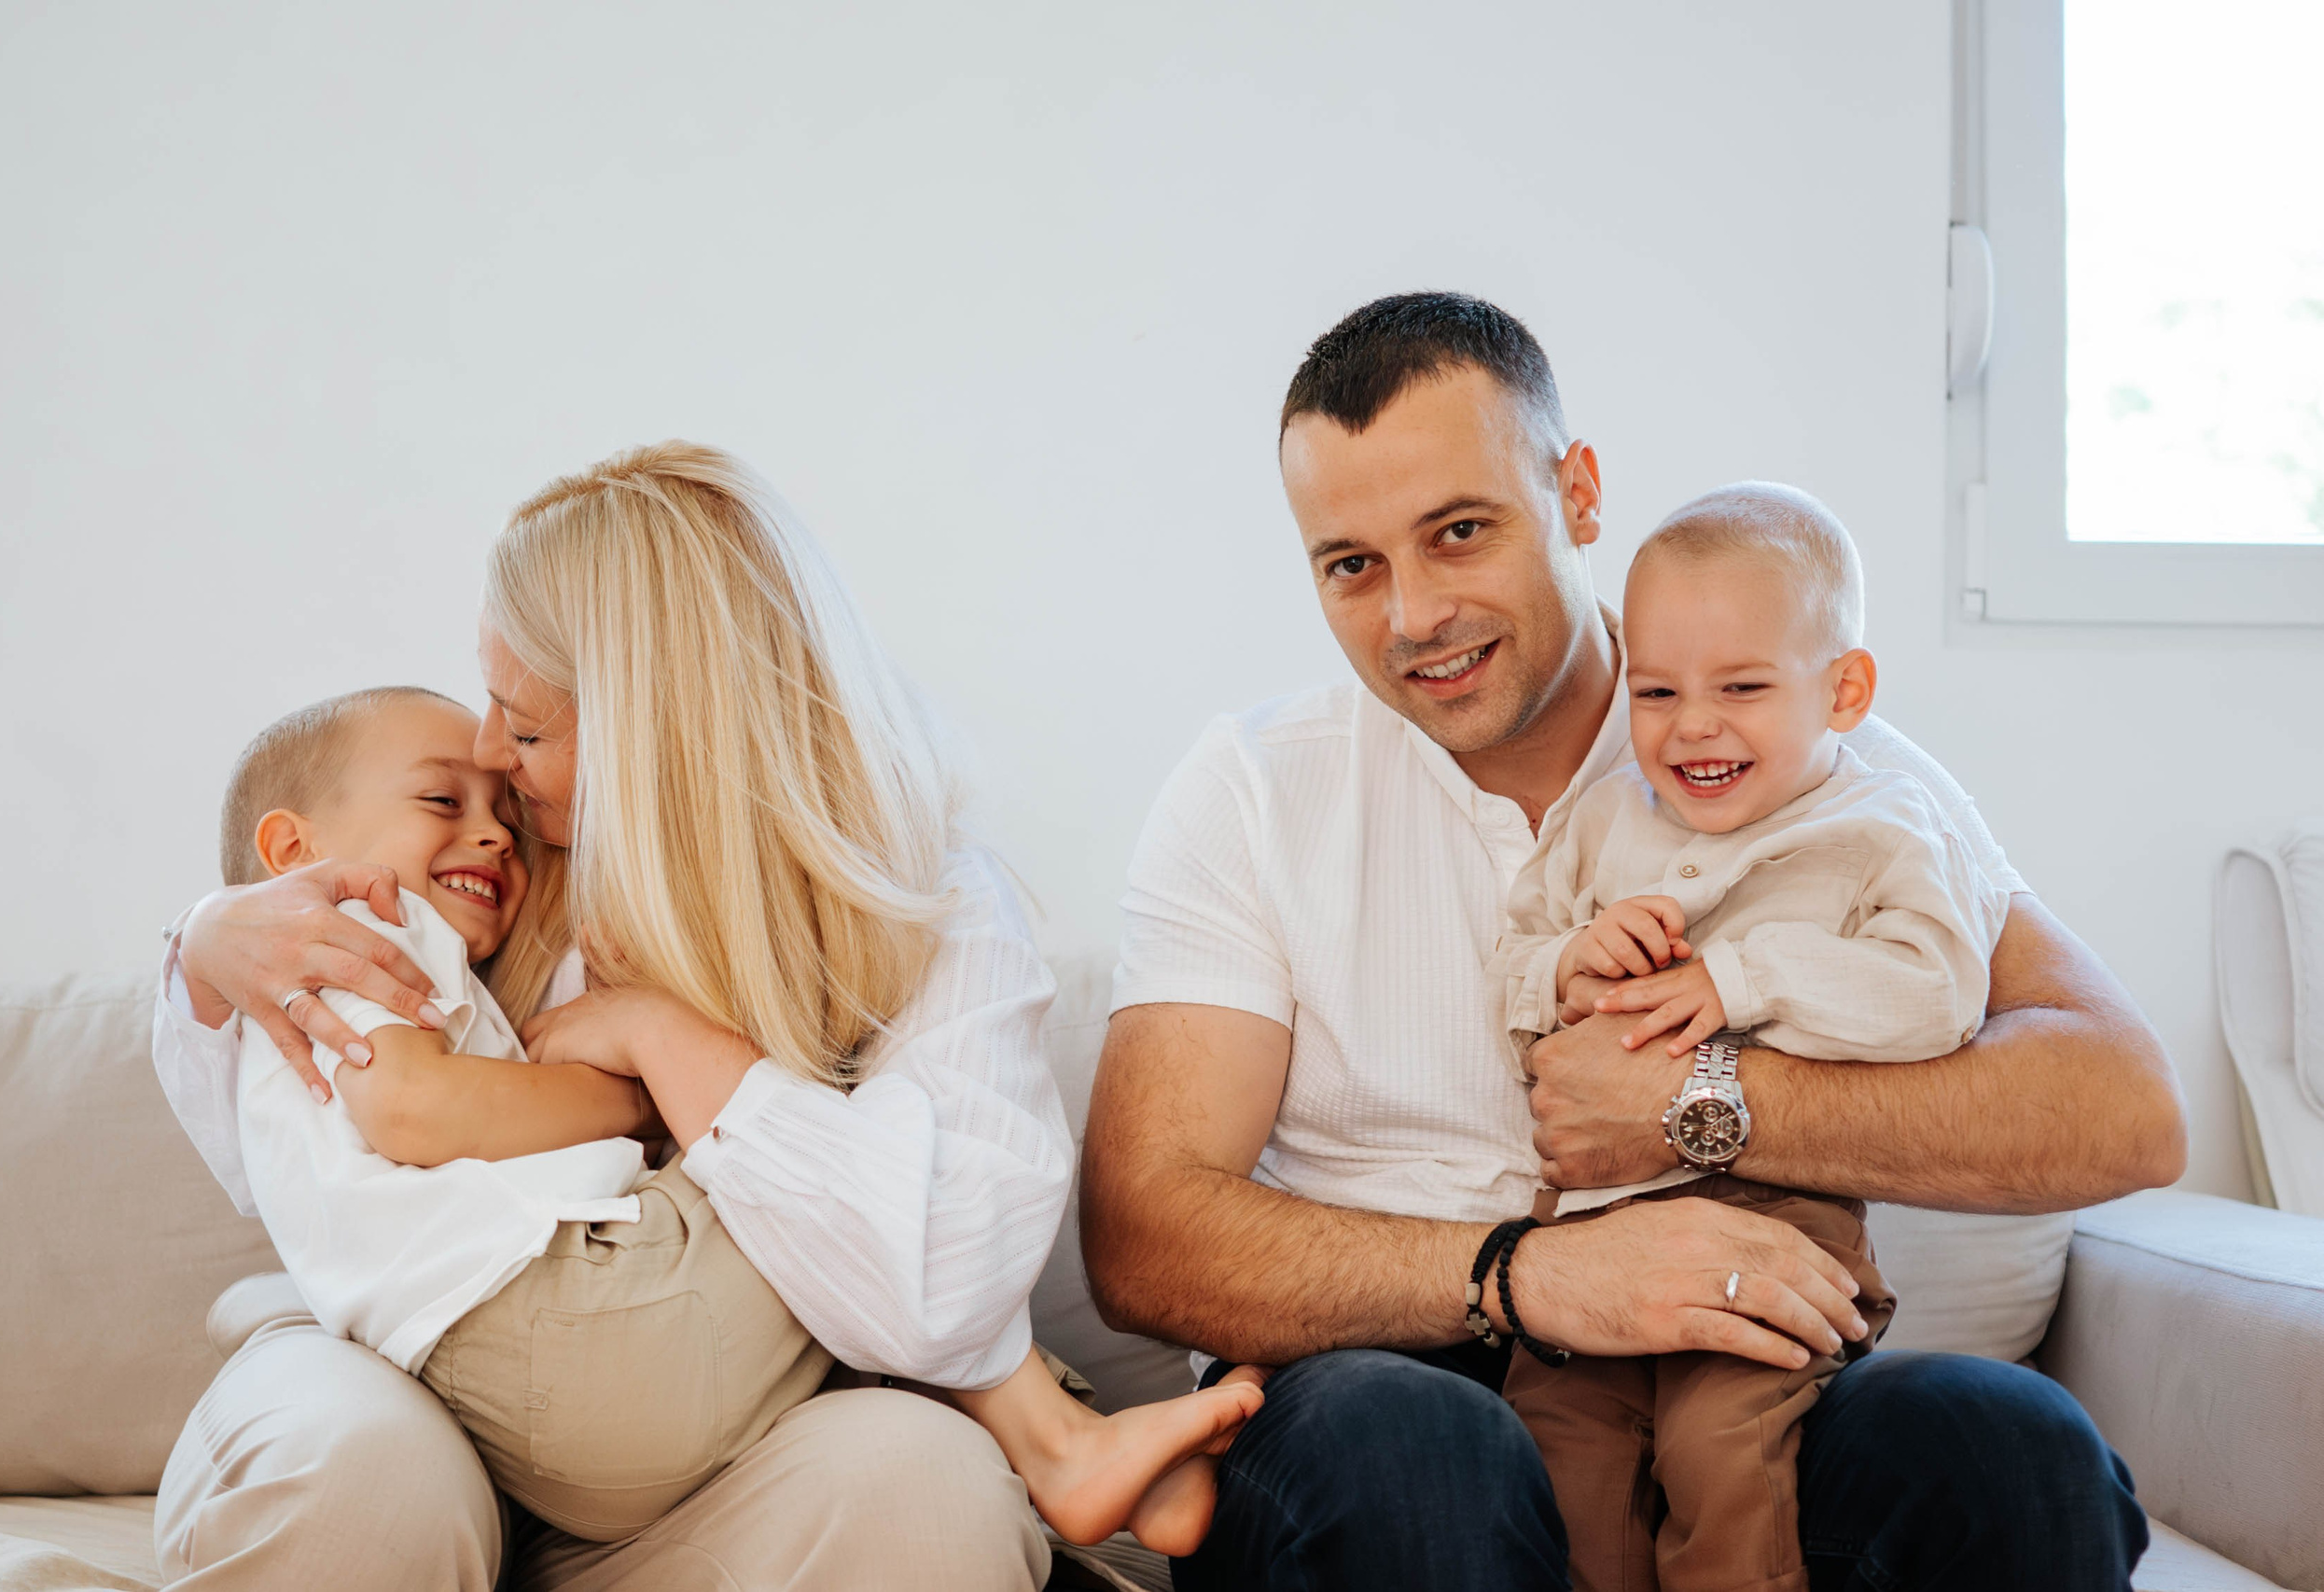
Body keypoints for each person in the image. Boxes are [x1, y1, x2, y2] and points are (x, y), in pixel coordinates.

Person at [1079, 292, 2181, 1591]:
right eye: (1351, 564)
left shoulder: (1812, 763)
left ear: (1580, 494)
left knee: (2014, 1450)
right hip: (1395, 1378)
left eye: (1461, 532)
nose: (1413, 614)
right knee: (1415, 1452)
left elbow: (2124, 1108)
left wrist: (1701, 1107)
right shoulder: (1257, 789)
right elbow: (1143, 1233)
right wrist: (1528, 1274)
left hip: (1740, 1355)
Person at [151, 443, 1083, 1590]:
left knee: (928, 1489)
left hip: (688, 1451)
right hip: (397, 1366)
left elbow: (940, 1291)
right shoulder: (479, 874)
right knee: (360, 1473)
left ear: (660, 731)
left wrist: (673, 1045)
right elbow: (291, 1132)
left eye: (526, 730)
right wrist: (207, 945)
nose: (489, 758)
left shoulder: (922, 912)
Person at [213, 682, 1261, 1554]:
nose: (494, 818)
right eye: (444, 799)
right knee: (846, 1180)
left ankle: (1064, 1444)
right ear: (291, 846)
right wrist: (649, 1074)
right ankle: (1056, 1437)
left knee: (847, 1213)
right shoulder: (343, 936)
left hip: (546, 1358)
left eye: (510, 772)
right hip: (549, 1327)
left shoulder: (415, 944)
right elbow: (414, 1106)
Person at [1490, 486, 2009, 1592]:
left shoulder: (1884, 829)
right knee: (1563, 1466)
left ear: (1844, 690)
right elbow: (1517, 968)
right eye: (1658, 690)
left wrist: (1744, 975)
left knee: (1719, 1454)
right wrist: (1570, 962)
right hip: (1588, 1234)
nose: (1692, 725)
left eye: (1742, 687)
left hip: (1773, 1227)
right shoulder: (1601, 818)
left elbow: (1936, 996)